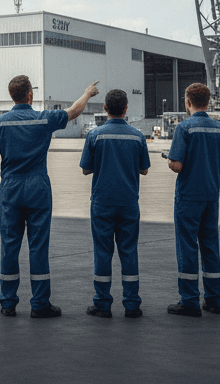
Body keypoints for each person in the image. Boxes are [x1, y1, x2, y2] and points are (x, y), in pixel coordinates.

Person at [0, 75, 100, 318]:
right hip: (37, 188)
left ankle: (8, 303)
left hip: (11, 189)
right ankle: (39, 304)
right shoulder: (43, 119)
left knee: (9, 246)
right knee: (38, 246)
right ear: (30, 95)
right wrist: (87, 93)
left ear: (12, 96)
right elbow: (73, 112)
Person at [78, 88, 151, 319]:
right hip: (128, 202)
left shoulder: (95, 135)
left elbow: (85, 169)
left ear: (105, 108)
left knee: (103, 252)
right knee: (129, 252)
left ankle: (102, 304)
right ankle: (132, 305)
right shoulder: (137, 136)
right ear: (126, 109)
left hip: (102, 202)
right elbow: (144, 169)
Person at [166, 82, 220, 317]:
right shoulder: (219, 129)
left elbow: (177, 165)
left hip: (188, 198)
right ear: (209, 102)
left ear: (187, 102)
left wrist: (170, 160)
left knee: (187, 247)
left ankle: (190, 300)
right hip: (211, 197)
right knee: (210, 247)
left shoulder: (184, 128)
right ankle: (214, 300)